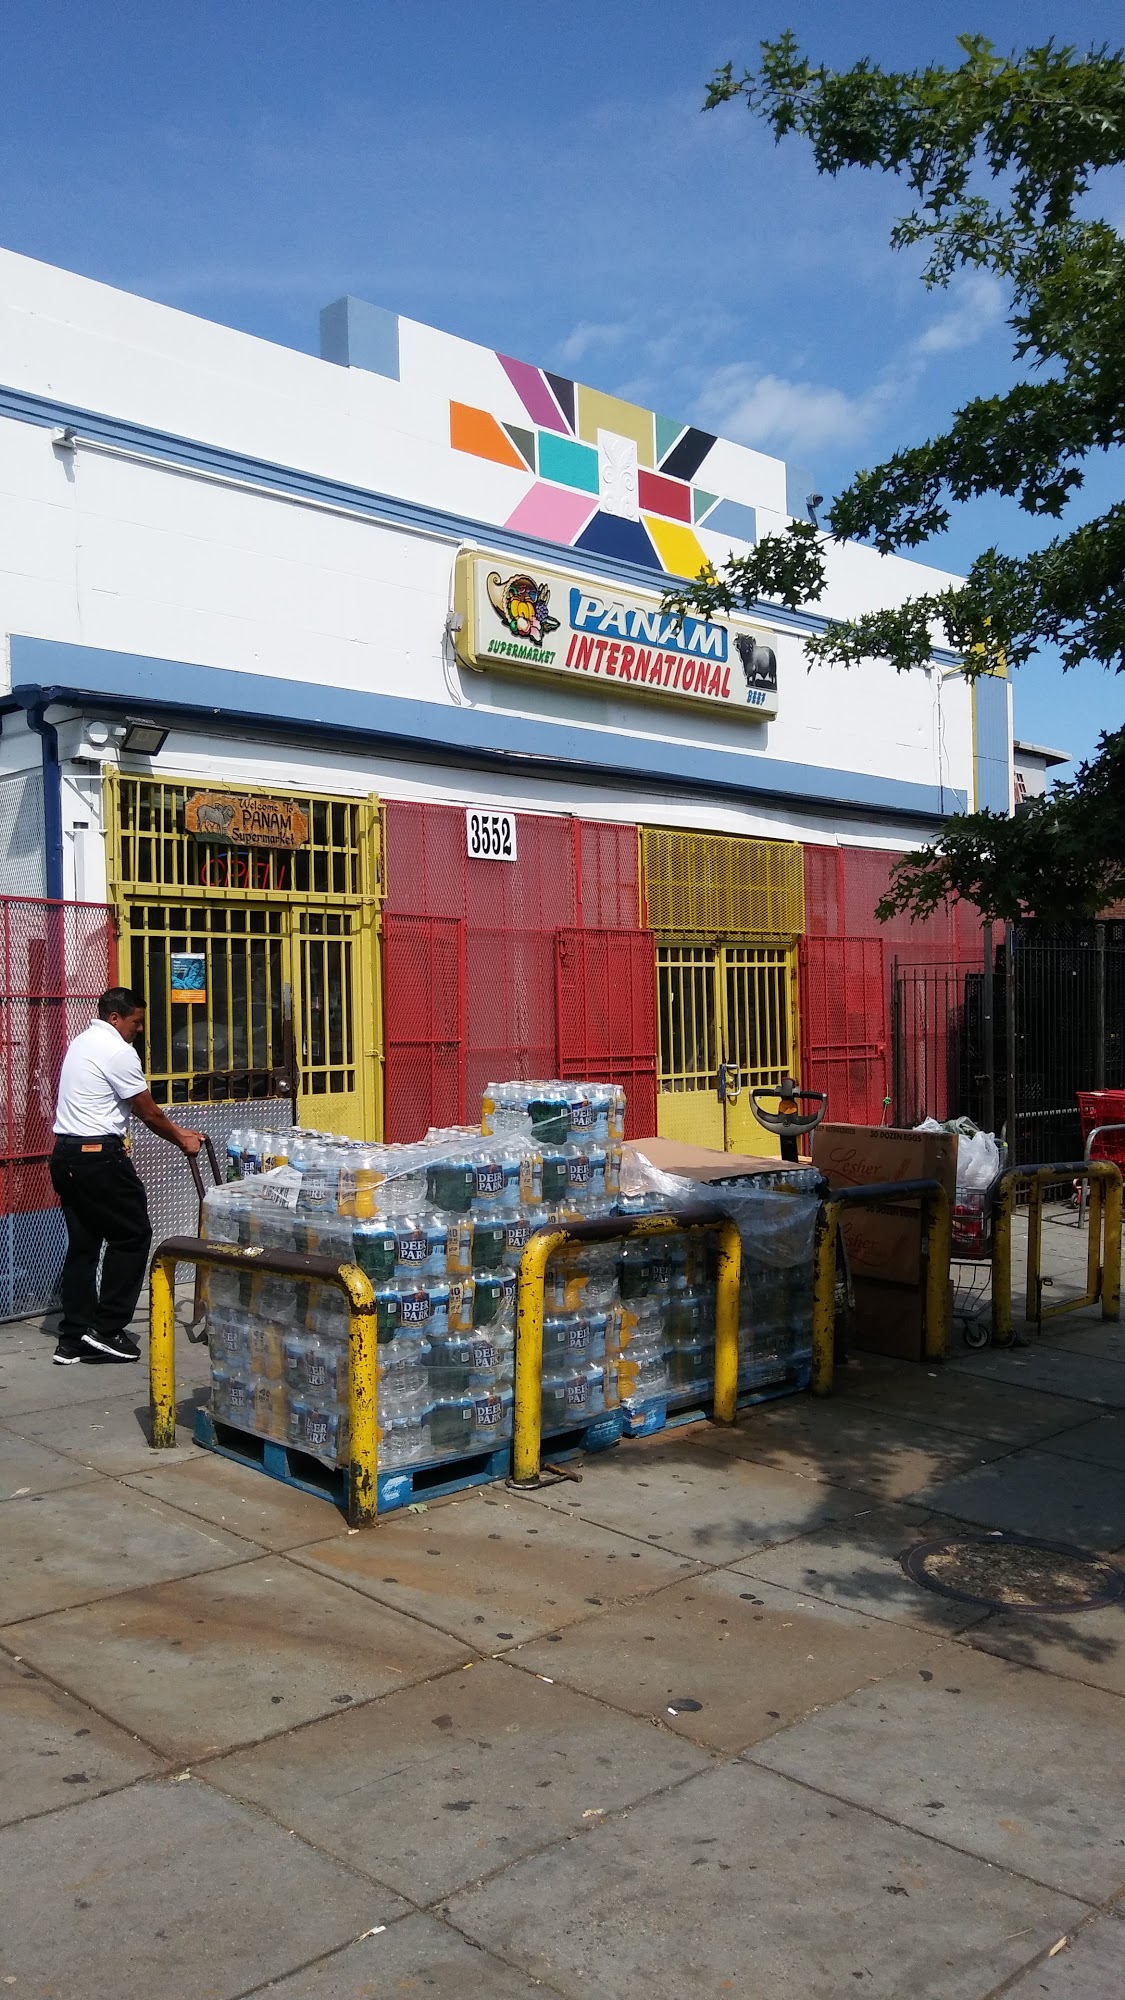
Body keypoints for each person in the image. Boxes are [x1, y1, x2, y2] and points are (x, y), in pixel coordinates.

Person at [49, 987, 201, 1364]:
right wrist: (182, 1138)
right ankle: (107, 1329)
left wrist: (176, 1131)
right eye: (136, 1022)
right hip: (98, 1157)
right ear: (115, 1017)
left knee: (84, 1245)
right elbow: (147, 1111)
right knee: (133, 1235)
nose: (140, 1029)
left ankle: (73, 1338)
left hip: (66, 1155)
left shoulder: (81, 1043)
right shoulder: (118, 1051)